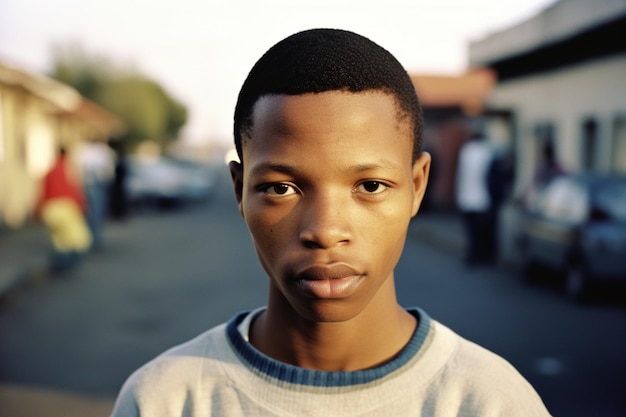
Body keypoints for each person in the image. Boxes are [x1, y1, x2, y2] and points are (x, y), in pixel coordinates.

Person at [110, 29, 551, 416]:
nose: (324, 230)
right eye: (281, 188)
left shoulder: (492, 403)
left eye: (372, 186)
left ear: (417, 186)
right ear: (239, 191)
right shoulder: (164, 401)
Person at [35, 146, 91, 273]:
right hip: (66, 207)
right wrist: (83, 206)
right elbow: (75, 189)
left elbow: (41, 194)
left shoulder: (48, 171)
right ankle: (68, 264)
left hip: (49, 209)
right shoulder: (69, 169)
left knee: (58, 239)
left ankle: (58, 264)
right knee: (78, 238)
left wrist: (37, 212)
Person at [455, 130, 498, 266]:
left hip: (466, 199)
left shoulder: (465, 151)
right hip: (482, 199)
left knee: (471, 231)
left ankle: (472, 255)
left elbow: (460, 175)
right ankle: (482, 257)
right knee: (482, 232)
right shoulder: (487, 151)